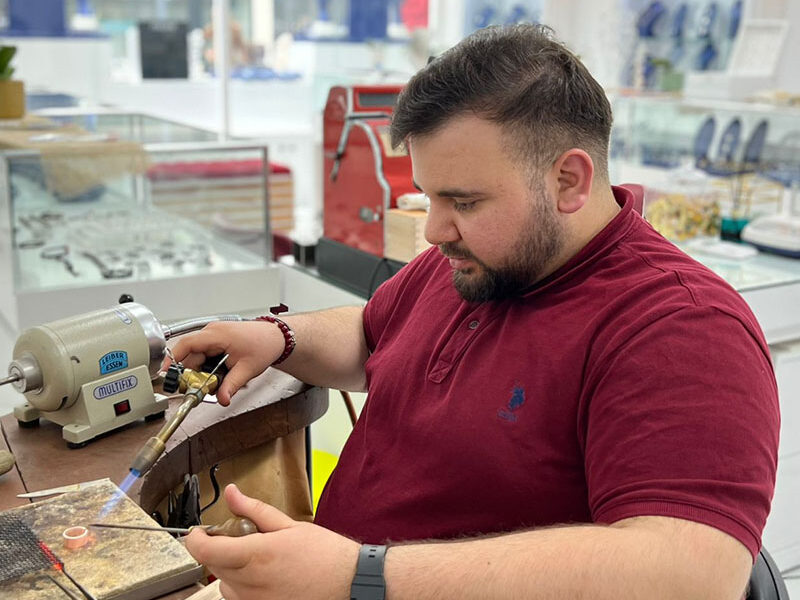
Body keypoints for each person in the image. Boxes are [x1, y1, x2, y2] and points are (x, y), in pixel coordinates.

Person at [172, 24, 779, 600]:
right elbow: (373, 335)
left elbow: (693, 574)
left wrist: (362, 576)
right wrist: (279, 337)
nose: (434, 230)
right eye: (429, 197)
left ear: (569, 180)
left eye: (463, 201)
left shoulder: (681, 326)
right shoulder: (478, 259)